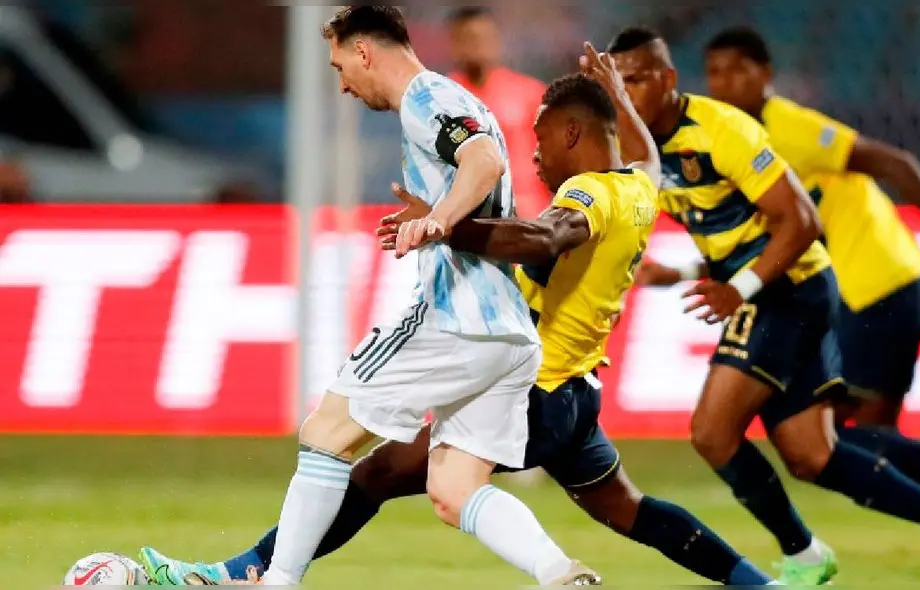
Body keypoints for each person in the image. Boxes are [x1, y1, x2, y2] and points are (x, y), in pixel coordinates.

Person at [139, 53, 779, 588]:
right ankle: (758, 583)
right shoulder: (640, 187)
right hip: (574, 394)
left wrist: (443, 224)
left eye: (543, 138)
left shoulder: (589, 193)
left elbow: (542, 237)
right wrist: (617, 96)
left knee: (380, 474)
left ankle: (245, 573)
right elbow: (642, 154)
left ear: (575, 133)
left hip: (536, 384)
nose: (534, 157)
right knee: (629, 509)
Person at [606, 26, 920, 585]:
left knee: (713, 432)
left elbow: (803, 223)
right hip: (791, 289)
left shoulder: (725, 130)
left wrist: (736, 290)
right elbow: (736, 233)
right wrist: (685, 272)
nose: (628, 94)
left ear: (669, 79)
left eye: (638, 80)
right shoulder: (643, 151)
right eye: (618, 85)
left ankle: (806, 556)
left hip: (793, 289)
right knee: (812, 454)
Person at [244, 7, 594, 586]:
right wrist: (437, 210)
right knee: (454, 489)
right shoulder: (455, 97)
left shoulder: (425, 98)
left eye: (339, 66)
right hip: (508, 333)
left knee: (326, 430)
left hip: (456, 317)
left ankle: (277, 581)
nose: (342, 84)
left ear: (363, 51)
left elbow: (483, 160)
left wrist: (440, 221)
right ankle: (558, 571)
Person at [447, 7, 550, 219]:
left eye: (484, 37)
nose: (478, 46)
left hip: (529, 213)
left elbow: (554, 155)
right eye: (469, 38)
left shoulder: (530, 93)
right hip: (468, 218)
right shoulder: (441, 99)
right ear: (454, 43)